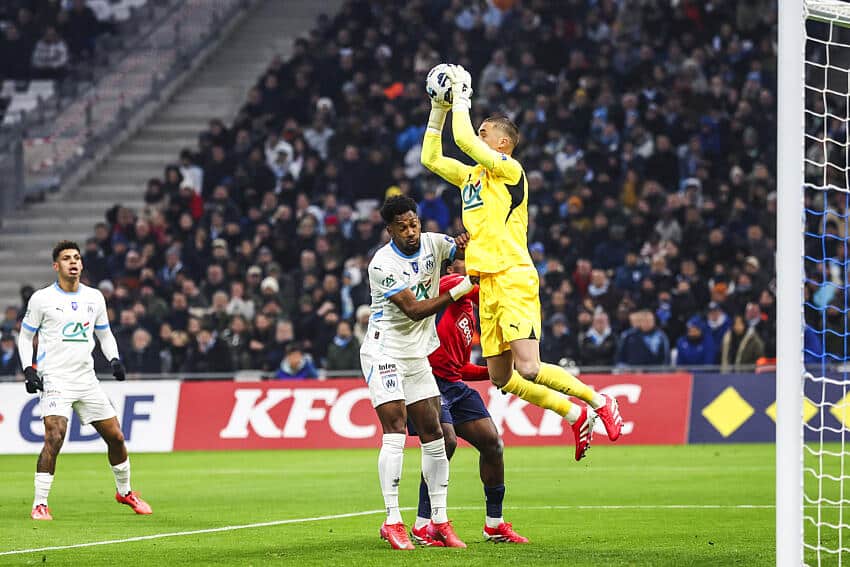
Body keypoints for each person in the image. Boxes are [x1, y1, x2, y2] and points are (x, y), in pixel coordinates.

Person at [421, 65, 623, 461]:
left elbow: (461, 138)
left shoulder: (511, 171)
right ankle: (573, 413)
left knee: (529, 367)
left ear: (503, 144)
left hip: (513, 274)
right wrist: (438, 108)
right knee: (502, 378)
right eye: (477, 130)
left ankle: (599, 401)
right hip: (487, 284)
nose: (476, 136)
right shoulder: (471, 179)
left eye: (485, 133)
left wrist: (461, 97)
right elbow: (430, 156)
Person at [360, 196, 474, 550]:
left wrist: (464, 246)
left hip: (417, 354)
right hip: (384, 352)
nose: (411, 232)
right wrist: (459, 289)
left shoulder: (433, 244)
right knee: (395, 431)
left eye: (414, 224)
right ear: (389, 230)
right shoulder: (382, 264)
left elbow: (459, 251)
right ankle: (392, 520)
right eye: (403, 227)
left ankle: (436, 522)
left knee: (435, 434)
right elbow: (414, 310)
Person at [17, 241, 152, 520]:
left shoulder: (94, 298)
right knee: (54, 438)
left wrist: (114, 359)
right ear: (57, 266)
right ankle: (39, 504)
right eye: (66, 258)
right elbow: (25, 336)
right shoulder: (42, 299)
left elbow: (104, 333)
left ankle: (125, 492)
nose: (73, 262)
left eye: (76, 257)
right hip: (55, 378)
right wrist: (29, 369)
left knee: (116, 437)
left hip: (86, 379)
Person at [409, 258, 528, 546]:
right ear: (451, 269)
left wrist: (496, 374)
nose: (475, 273)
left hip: (454, 386)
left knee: (492, 443)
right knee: (445, 443)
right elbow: (482, 290)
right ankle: (423, 524)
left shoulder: (468, 313)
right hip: (427, 382)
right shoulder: (447, 286)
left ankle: (494, 525)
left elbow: (460, 367)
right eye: (469, 266)